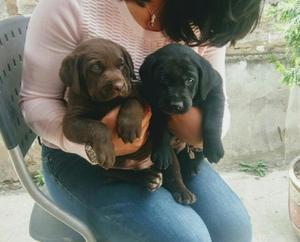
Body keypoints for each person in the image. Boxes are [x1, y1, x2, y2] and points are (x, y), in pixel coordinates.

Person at [20, 0, 263, 241]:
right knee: (187, 238)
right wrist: (93, 145)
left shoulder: (207, 13)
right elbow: (36, 100)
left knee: (233, 228)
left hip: (168, 148)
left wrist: (197, 132)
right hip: (80, 158)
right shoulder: (68, 6)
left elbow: (218, 97)